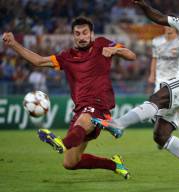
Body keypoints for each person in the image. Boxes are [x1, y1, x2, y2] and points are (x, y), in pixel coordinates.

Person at [92, 0, 179, 186]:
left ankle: (118, 124)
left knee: (157, 97)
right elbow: (160, 17)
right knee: (160, 135)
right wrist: (143, 5)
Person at [2, 16, 136, 179]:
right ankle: (115, 164)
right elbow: (38, 61)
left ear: (91, 34)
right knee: (71, 163)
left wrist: (116, 50)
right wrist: (13, 44)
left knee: (84, 120)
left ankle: (61, 143)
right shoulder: (66, 57)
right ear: (73, 36)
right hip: (80, 109)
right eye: (77, 33)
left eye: (85, 33)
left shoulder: (102, 43)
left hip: (99, 105)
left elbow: (131, 55)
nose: (81, 37)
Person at [149, 26, 179, 146]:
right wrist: (152, 74)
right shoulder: (156, 41)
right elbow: (154, 59)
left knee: (175, 112)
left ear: (176, 28)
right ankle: (161, 136)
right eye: (166, 26)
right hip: (160, 80)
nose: (168, 28)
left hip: (174, 81)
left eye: (171, 26)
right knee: (156, 112)